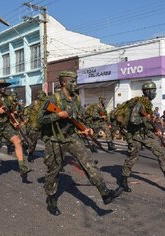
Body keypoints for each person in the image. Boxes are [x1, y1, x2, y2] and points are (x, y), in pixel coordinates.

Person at [38, 71, 122, 216]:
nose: (75, 85)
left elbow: (79, 118)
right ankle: (51, 200)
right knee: (54, 170)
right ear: (64, 82)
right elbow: (40, 120)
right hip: (55, 140)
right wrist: (58, 115)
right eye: (72, 81)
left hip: (71, 137)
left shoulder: (76, 99)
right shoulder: (54, 99)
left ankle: (104, 193)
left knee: (89, 162)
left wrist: (86, 129)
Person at [119, 81, 165, 192]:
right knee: (132, 158)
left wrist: (155, 129)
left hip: (146, 134)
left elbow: (148, 121)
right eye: (153, 90)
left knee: (161, 153)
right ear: (147, 91)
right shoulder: (139, 104)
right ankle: (123, 182)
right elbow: (133, 120)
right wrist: (145, 118)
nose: (154, 93)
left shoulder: (147, 104)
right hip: (136, 136)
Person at [24, 90, 48, 162]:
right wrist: (27, 117)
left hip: (45, 126)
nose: (43, 96)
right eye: (41, 95)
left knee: (48, 142)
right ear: (38, 96)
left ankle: (50, 158)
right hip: (35, 126)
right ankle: (30, 154)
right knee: (33, 142)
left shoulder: (48, 103)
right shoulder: (35, 103)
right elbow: (26, 110)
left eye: (44, 95)